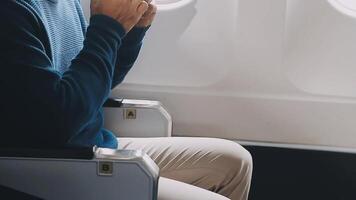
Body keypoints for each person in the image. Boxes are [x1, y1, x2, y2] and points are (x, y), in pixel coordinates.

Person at [0, 0, 252, 199]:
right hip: (58, 165)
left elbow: (96, 82)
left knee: (234, 162)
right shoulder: (10, 13)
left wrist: (130, 30)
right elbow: (58, 121)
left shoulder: (64, 2)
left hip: (94, 145)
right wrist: (107, 27)